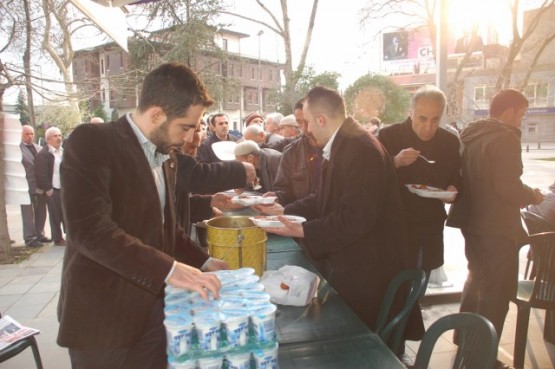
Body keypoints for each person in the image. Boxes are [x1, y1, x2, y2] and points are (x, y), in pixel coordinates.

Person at [57, 62, 225, 369]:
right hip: (103, 320)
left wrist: (204, 261)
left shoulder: (166, 157)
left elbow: (165, 229)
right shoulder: (92, 141)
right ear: (157, 114)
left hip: (152, 312)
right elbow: (89, 230)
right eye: (185, 127)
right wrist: (171, 269)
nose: (190, 138)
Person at [254, 86, 417, 335]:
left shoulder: (361, 149)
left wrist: (303, 229)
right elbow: (323, 197)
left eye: (306, 122)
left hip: (370, 271)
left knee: (361, 343)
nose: (305, 130)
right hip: (355, 264)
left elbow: (355, 219)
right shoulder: (342, 143)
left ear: (321, 119)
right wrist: (283, 211)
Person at [447, 89, 544, 369]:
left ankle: (464, 339)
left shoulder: (471, 134)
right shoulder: (504, 137)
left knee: (475, 281)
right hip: (497, 227)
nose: (521, 121)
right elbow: (507, 187)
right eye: (522, 115)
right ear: (510, 111)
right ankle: (483, 356)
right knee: (496, 295)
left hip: (472, 223)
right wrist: (533, 195)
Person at [378, 85, 461, 283]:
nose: (428, 127)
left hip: (430, 225)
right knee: (394, 285)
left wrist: (453, 189)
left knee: (421, 281)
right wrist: (395, 161)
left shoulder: (449, 141)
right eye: (422, 119)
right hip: (396, 226)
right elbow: (369, 175)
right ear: (411, 112)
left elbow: (456, 176)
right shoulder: (389, 136)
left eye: (435, 120)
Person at [271, 100, 323, 206]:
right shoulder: (291, 152)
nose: (305, 128)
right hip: (301, 218)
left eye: (308, 121)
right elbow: (283, 189)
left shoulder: (338, 149)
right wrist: (277, 197)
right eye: (300, 122)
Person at [19, 125, 50, 247]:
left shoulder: (38, 148)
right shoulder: (18, 150)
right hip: (26, 186)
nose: (30, 136)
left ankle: (40, 234)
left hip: (41, 186)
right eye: (27, 134)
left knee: (41, 211)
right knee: (28, 213)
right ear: (21, 135)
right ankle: (30, 238)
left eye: (32, 134)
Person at [35, 126, 65, 246]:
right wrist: (48, 189)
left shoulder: (62, 151)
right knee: (55, 215)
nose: (58, 138)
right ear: (48, 140)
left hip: (64, 188)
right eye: (55, 136)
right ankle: (57, 239)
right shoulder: (44, 154)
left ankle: (70, 235)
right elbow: (40, 173)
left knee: (66, 213)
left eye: (59, 135)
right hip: (53, 190)